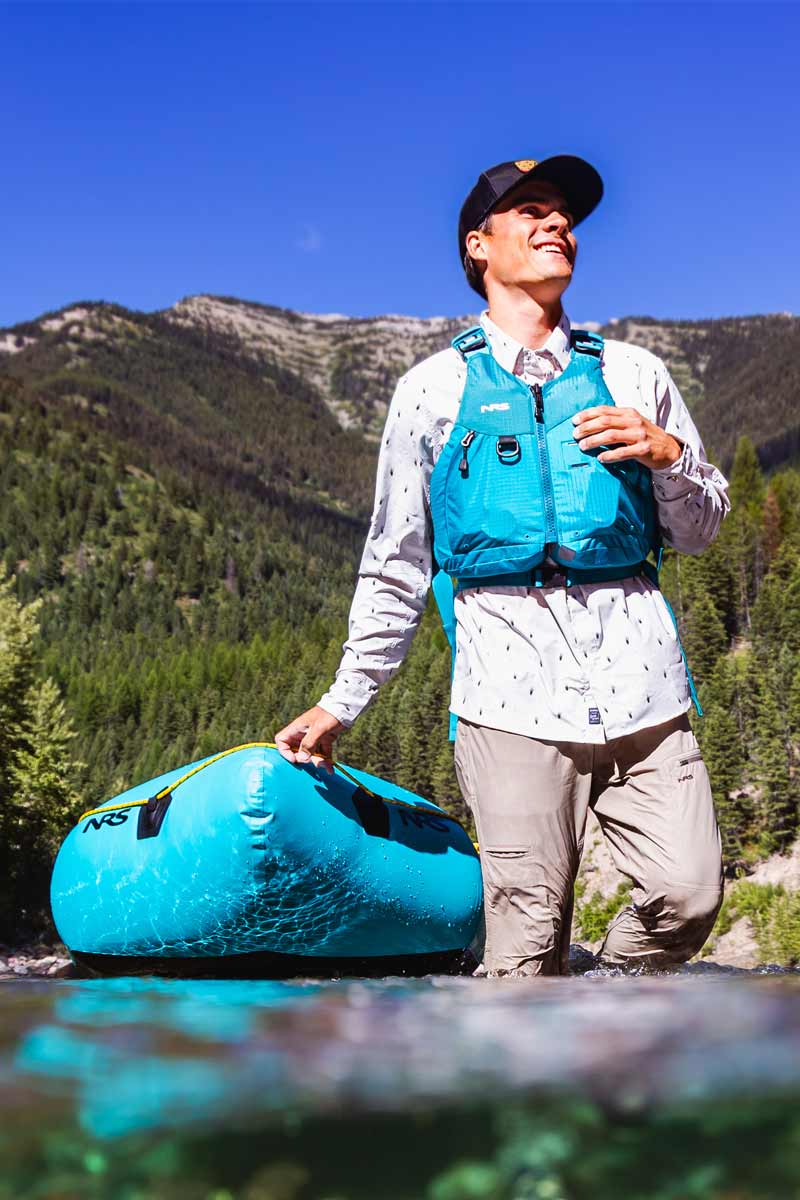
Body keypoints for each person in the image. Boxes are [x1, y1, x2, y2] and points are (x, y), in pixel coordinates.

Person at [275, 154, 729, 976]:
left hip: (645, 690)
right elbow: (396, 561)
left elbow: (700, 532)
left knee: (690, 895)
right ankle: (535, 1084)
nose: (559, 224)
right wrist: (344, 701)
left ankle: (596, 1005)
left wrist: (668, 457)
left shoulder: (636, 373)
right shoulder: (429, 392)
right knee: (524, 944)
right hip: (507, 697)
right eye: (531, 210)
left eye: (565, 213)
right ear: (478, 247)